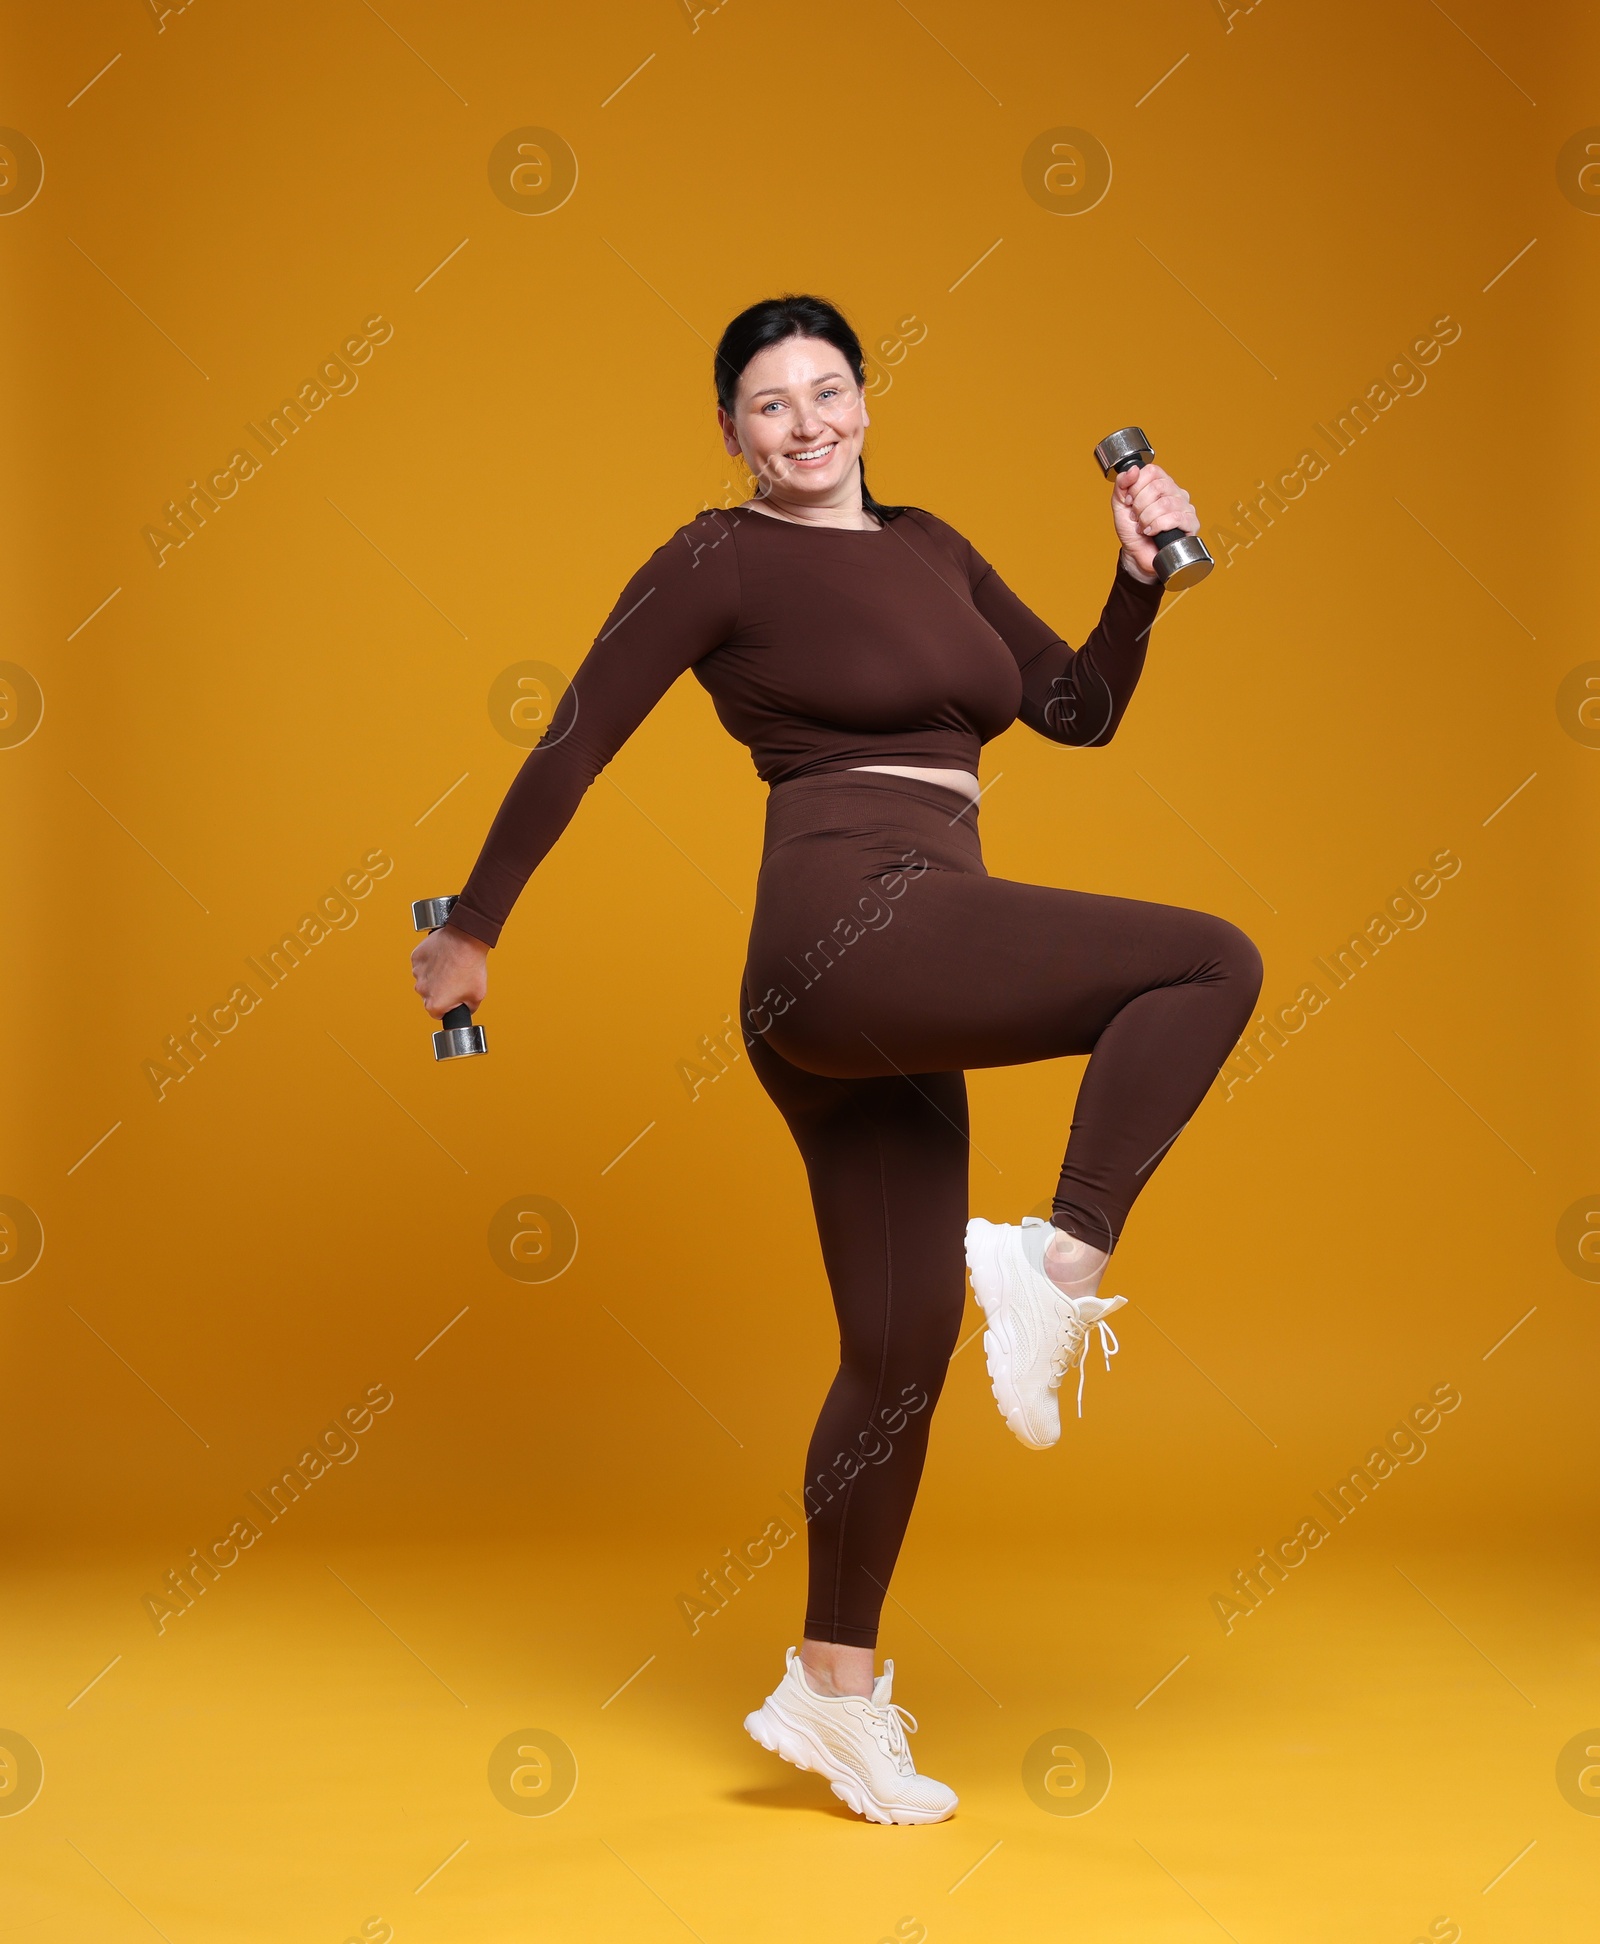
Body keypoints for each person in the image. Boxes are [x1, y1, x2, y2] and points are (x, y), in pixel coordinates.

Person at [410, 294, 1263, 1826]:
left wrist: (1137, 588)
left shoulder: (931, 545)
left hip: (924, 939)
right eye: (768, 405)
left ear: (867, 398)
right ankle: (1060, 1264)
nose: (805, 425)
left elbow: (1075, 710)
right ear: (731, 431)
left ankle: (832, 1690)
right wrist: (473, 926)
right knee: (1212, 959)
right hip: (845, 924)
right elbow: (581, 731)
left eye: (827, 392)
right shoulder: (718, 557)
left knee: (899, 1350)